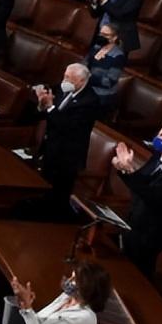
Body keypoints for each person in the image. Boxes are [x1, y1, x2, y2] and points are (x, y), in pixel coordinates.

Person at [114, 123, 162, 278]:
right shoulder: (157, 156)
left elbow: (154, 196)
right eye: (158, 134)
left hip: (152, 232)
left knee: (138, 276)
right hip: (135, 221)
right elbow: (141, 183)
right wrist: (123, 169)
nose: (157, 139)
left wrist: (129, 169)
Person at [34, 63, 99, 220]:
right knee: (44, 186)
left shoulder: (89, 102)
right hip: (51, 148)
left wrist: (50, 107)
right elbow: (50, 115)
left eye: (69, 78)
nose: (65, 80)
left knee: (58, 193)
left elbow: (67, 127)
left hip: (67, 156)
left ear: (82, 81)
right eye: (65, 76)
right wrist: (43, 101)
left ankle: (52, 222)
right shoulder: (64, 90)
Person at [85, 23, 126, 104]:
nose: (101, 37)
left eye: (105, 35)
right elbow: (84, 63)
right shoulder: (96, 47)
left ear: (114, 37)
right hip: (87, 88)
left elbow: (109, 82)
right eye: (100, 33)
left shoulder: (118, 56)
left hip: (101, 96)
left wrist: (88, 77)